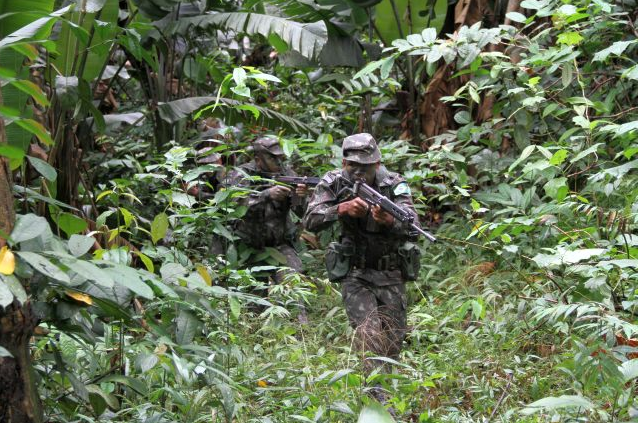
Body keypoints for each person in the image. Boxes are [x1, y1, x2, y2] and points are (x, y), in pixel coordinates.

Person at [302, 133, 422, 375]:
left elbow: (414, 226)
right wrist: (341, 209)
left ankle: (386, 400)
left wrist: (390, 220)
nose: (358, 172)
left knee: (392, 345)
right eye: (352, 165)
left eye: (365, 167)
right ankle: (375, 400)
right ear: (344, 163)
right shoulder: (334, 181)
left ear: (376, 164)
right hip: (356, 274)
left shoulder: (393, 183)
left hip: (390, 273)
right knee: (369, 337)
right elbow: (309, 220)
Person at [223, 136, 309, 320]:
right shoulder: (241, 174)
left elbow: (304, 213)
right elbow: (232, 208)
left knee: (294, 291)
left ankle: (302, 336)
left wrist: (300, 197)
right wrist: (266, 195)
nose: (279, 162)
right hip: (250, 248)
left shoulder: (288, 173)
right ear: (258, 159)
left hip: (280, 245)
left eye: (280, 157)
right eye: (272, 158)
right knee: (254, 306)